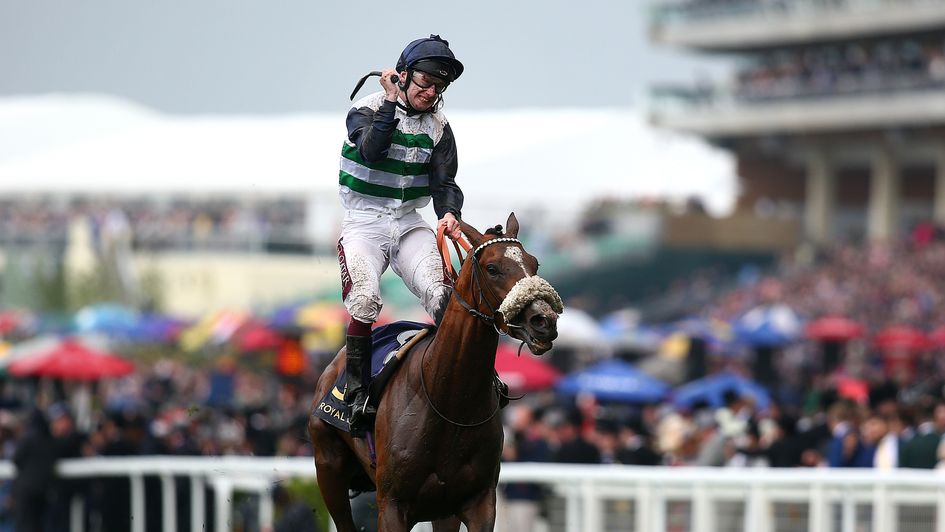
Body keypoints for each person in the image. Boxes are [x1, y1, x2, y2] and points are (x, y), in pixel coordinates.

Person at [337, 34, 465, 435]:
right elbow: (372, 151)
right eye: (425, 83)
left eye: (439, 87)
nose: (431, 93)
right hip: (364, 223)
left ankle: (457, 384)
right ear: (402, 75)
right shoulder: (366, 110)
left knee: (442, 296)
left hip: (409, 221)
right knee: (365, 299)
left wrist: (448, 214)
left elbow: (445, 182)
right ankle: (355, 391)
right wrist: (391, 101)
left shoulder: (440, 128)